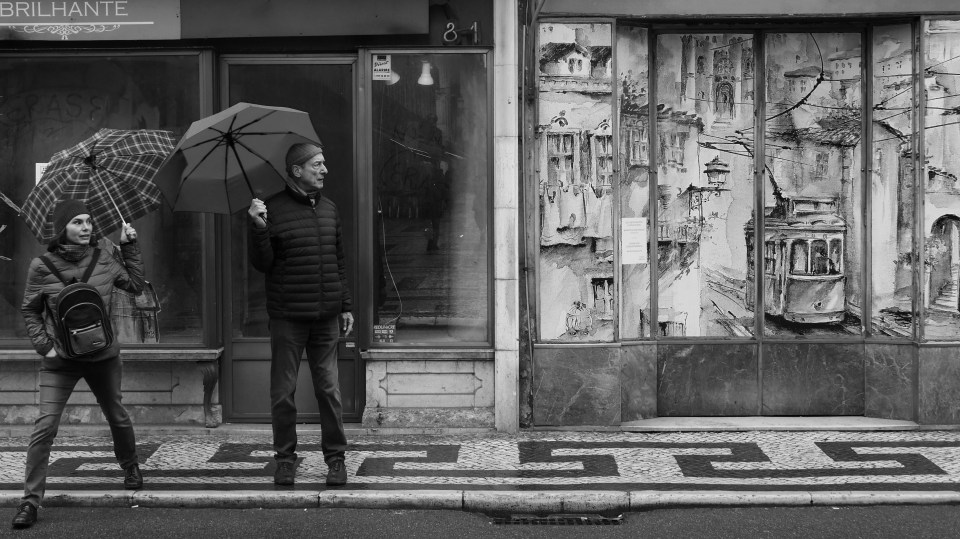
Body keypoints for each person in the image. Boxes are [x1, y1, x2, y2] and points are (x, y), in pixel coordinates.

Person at [13, 200, 144, 530]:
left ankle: (130, 465)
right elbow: (30, 309)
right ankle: (30, 501)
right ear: (62, 229)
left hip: (103, 357)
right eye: (77, 222)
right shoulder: (41, 266)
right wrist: (45, 347)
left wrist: (130, 247)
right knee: (45, 427)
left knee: (117, 414)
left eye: (88, 221)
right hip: (61, 361)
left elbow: (136, 285)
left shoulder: (104, 257)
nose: (86, 227)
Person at [247, 142, 354, 488]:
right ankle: (284, 460)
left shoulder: (330, 209)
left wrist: (346, 305)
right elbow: (262, 264)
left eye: (324, 164)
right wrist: (258, 227)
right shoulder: (271, 210)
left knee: (329, 390)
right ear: (297, 170)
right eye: (317, 165)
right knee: (283, 392)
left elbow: (339, 261)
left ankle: (336, 460)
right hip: (288, 317)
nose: (324, 170)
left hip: (325, 317)